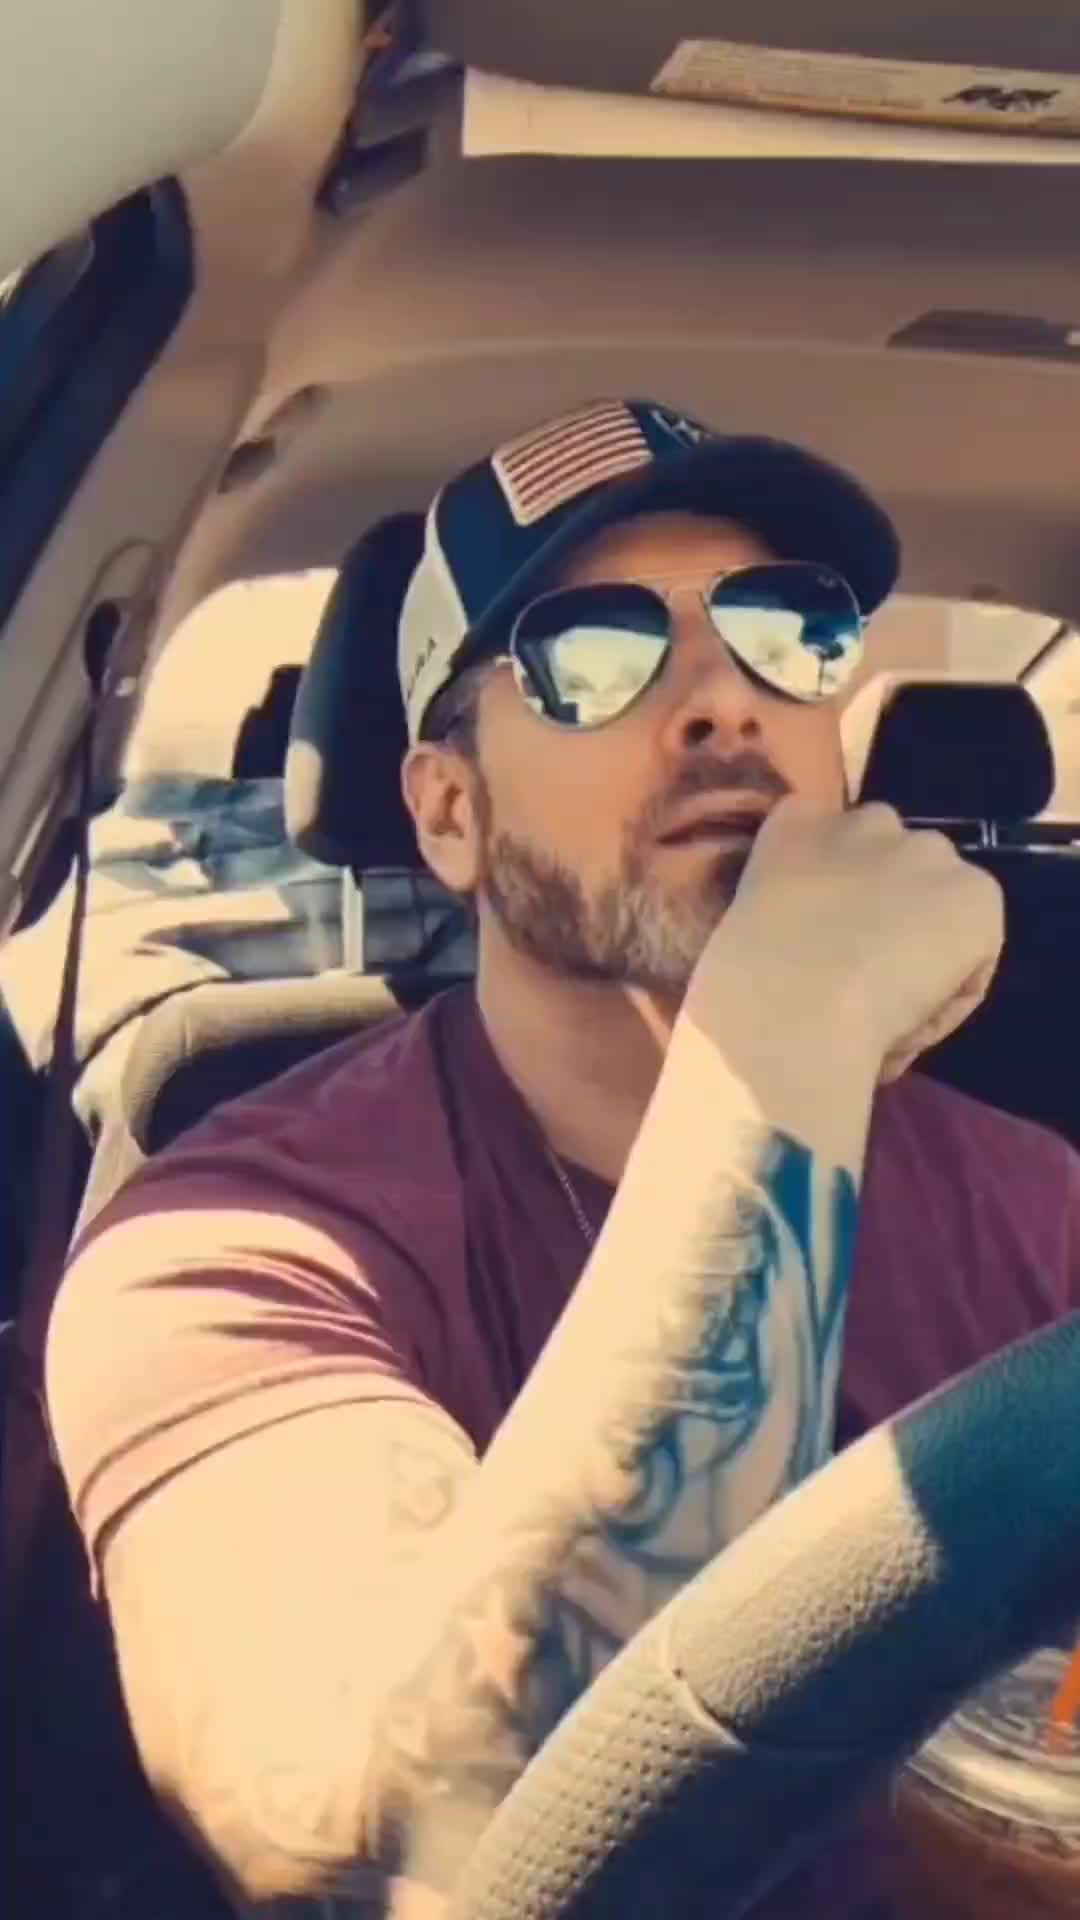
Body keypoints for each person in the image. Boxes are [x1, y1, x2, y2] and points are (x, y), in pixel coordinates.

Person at [44, 399, 1080, 1919]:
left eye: (787, 636)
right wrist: (785, 1021)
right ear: (449, 813)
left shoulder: (1039, 1200)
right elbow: (407, 1831)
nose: (724, 704)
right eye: (594, 655)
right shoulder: (234, 1242)